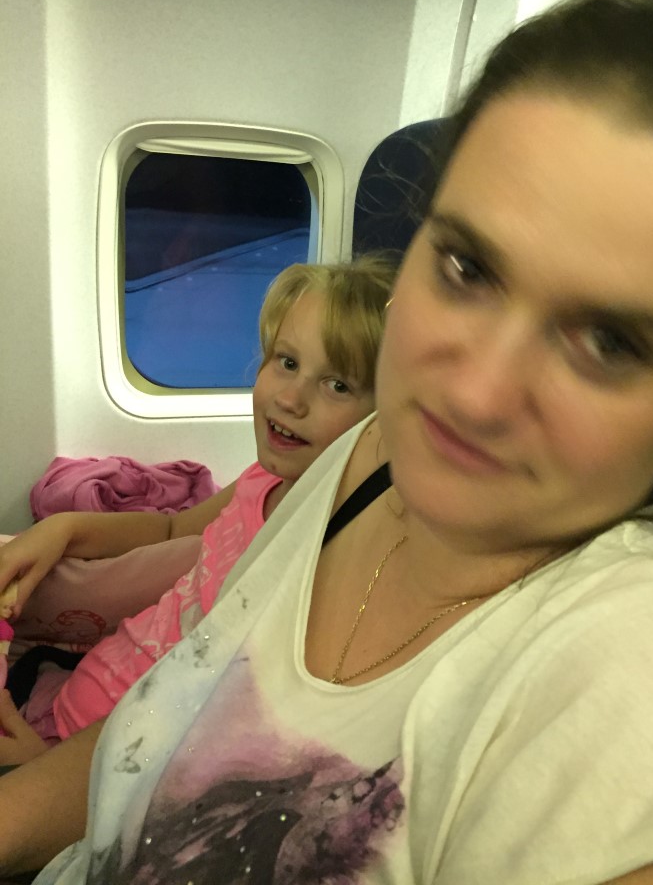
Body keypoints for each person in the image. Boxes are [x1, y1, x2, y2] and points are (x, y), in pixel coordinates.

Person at [3, 0, 653, 884]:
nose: (475, 393)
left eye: (610, 341)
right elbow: (162, 734)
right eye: (468, 267)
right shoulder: (368, 456)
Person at [0, 255, 395, 764]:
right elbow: (170, 529)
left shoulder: (322, 560)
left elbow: (217, 729)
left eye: (337, 385)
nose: (291, 399)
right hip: (76, 692)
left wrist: (35, 767)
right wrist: (62, 529)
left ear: (382, 422)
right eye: (287, 362)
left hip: (100, 763)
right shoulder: (262, 482)